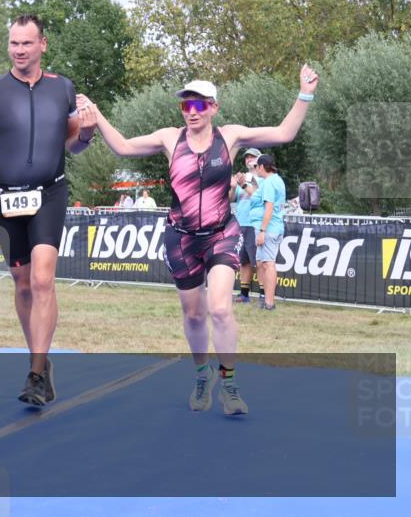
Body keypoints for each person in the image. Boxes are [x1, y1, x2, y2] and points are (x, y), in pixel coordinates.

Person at [85, 66, 319, 416]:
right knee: (194, 315)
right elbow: (123, 147)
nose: (191, 112)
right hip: (181, 239)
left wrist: (305, 94)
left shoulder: (230, 137)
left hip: (221, 234)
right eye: (186, 106)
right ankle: (201, 374)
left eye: (199, 105)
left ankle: (229, 385)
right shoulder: (170, 138)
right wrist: (97, 115)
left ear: (213, 107)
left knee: (220, 309)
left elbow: (284, 133)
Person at [0, 15, 96, 407]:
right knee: (23, 283)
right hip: (5, 199)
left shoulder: (62, 88)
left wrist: (87, 133)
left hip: (49, 193)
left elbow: (73, 145)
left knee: (44, 279)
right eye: (14, 43)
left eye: (27, 43)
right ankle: (41, 362)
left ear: (42, 44)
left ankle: (35, 372)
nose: (19, 50)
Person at [251, 153, 286, 311]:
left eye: (256, 166)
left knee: (269, 264)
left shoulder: (269, 182)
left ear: (261, 167)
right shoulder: (276, 180)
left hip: (270, 228)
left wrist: (263, 231)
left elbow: (269, 208)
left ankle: (270, 303)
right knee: (262, 263)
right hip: (272, 227)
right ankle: (266, 300)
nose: (255, 169)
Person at [230, 148, 262, 303]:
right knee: (243, 261)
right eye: (247, 157)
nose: (249, 159)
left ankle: (264, 295)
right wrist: (233, 187)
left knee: (260, 262)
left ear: (259, 160)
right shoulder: (242, 178)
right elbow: (231, 199)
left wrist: (243, 184)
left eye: (252, 157)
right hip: (240, 223)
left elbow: (257, 195)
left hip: (255, 224)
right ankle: (244, 294)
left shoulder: (263, 178)